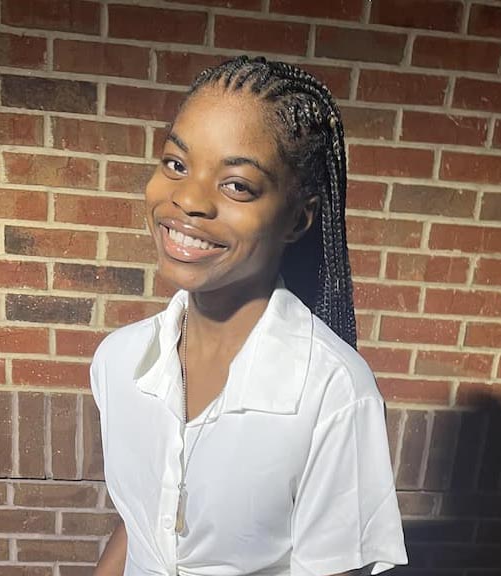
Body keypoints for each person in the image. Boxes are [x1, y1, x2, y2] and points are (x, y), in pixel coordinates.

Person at [90, 56, 407, 576]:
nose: (188, 198)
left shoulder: (333, 394)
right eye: (176, 164)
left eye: (237, 185)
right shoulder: (118, 362)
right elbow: (143, 519)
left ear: (297, 217)